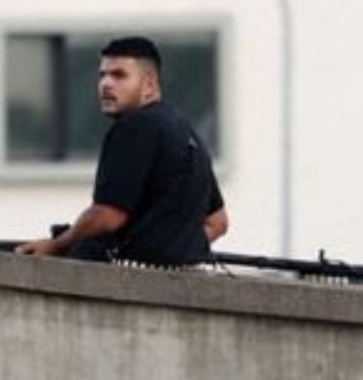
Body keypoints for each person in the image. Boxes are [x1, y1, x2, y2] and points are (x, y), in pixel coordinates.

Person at [16, 36, 228, 266]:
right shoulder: (186, 130)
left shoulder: (136, 126)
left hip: (128, 278)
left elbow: (108, 216)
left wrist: (58, 244)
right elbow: (217, 223)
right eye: (102, 75)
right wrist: (175, 252)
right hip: (184, 279)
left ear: (149, 84)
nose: (106, 84)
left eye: (119, 75)